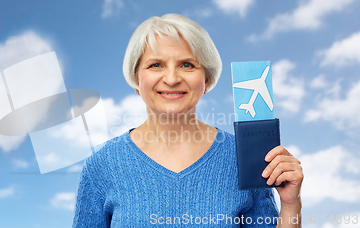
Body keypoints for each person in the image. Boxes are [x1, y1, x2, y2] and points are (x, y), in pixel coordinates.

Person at [72, 14, 303, 227]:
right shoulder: (102, 165)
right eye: (155, 65)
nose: (172, 79)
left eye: (187, 65)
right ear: (136, 80)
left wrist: (291, 204)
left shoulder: (245, 158)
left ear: (206, 80)